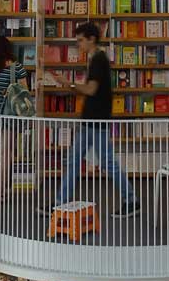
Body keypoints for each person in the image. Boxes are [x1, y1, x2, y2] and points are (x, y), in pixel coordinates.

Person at [50, 22, 140, 219]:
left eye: (81, 40)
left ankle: (131, 200)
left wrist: (69, 84)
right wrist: (71, 85)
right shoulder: (95, 59)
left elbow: (91, 90)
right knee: (74, 161)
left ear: (91, 39)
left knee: (107, 163)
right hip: (90, 121)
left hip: (97, 122)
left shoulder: (99, 59)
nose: (78, 44)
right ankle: (59, 202)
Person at [0, 35, 29, 194]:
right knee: (6, 152)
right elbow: (25, 91)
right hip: (8, 112)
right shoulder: (16, 67)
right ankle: (0, 192)